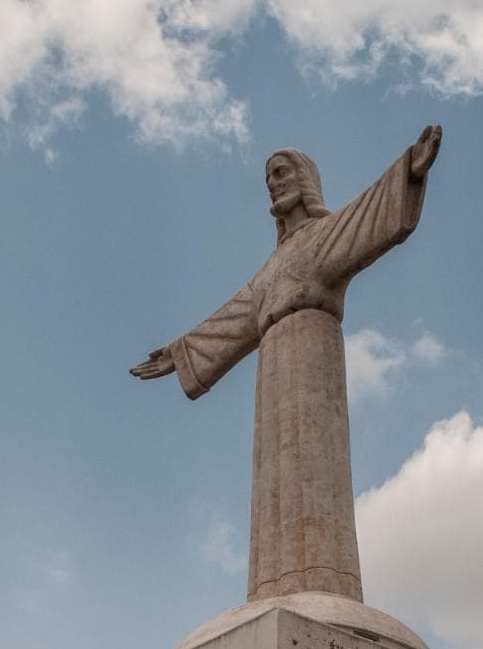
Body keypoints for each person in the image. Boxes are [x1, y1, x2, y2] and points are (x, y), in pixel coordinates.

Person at [132, 126, 442, 603]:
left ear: (304, 179)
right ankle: (272, 597)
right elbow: (234, 317)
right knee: (274, 483)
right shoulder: (274, 267)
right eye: (267, 179)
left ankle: (324, 591)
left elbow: (366, 216)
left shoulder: (323, 237)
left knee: (314, 471)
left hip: (313, 359)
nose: (273, 184)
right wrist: (180, 352)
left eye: (279, 173)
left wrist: (408, 171)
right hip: (274, 373)